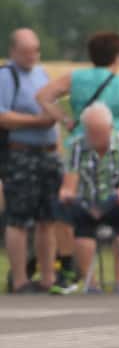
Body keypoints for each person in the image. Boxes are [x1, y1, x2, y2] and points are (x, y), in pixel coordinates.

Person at [36, 30, 119, 291]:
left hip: (81, 146)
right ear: (117, 57)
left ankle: (90, 281)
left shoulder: (75, 78)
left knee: (79, 213)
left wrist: (66, 120)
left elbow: (43, 96)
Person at [2, 28, 62, 293]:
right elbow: (3, 116)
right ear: (13, 51)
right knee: (18, 218)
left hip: (47, 153)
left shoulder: (42, 74)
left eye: (35, 51)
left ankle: (48, 277)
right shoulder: (6, 76)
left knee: (48, 218)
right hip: (21, 155)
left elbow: (52, 109)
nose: (31, 56)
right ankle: (20, 280)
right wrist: (38, 122)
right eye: (26, 52)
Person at [57, 104, 119, 293]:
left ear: (110, 128)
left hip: (115, 203)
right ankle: (87, 282)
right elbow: (69, 185)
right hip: (87, 202)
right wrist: (67, 194)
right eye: (91, 132)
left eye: (100, 132)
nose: (96, 137)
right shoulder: (77, 146)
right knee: (65, 211)